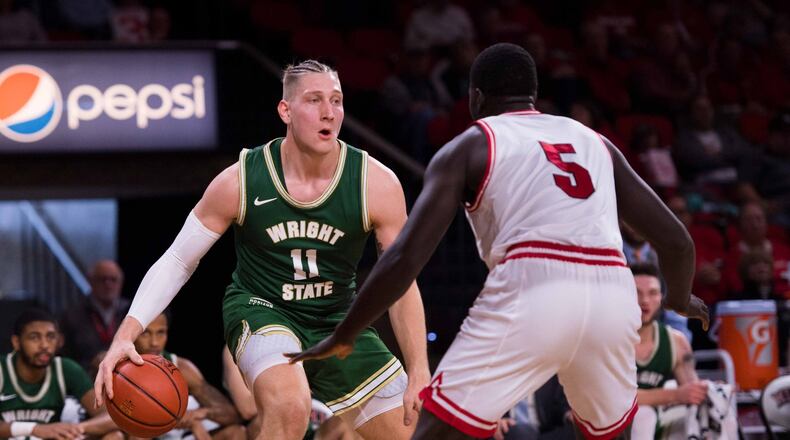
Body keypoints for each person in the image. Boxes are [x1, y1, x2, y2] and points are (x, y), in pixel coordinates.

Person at [289, 43, 709, 440]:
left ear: (475, 97)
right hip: (614, 293)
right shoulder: (595, 142)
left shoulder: (473, 143)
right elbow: (677, 243)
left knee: (438, 427)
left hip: (535, 282)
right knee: (609, 433)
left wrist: (346, 332)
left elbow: (405, 257)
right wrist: (678, 300)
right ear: (533, 95)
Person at [94, 60, 430, 440]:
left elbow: (400, 282)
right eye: (314, 100)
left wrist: (419, 369)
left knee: (410, 430)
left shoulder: (377, 183)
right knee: (290, 407)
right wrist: (124, 335)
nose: (329, 112)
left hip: (336, 318)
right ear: (285, 110)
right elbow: (177, 260)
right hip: (262, 310)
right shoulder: (241, 178)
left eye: (336, 101)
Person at [629, 263, 736, 440]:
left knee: (720, 410)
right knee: (643, 416)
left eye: (652, 293)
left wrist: (710, 391)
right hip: (611, 420)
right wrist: (675, 395)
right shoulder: (609, 339)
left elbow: (691, 389)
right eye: (637, 293)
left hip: (660, 418)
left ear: (662, 298)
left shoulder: (676, 341)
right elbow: (613, 397)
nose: (645, 301)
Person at [0, 308, 118, 439]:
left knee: (115, 436)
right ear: (16, 342)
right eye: (34, 337)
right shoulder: (2, 368)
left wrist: (75, 429)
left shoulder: (66, 368)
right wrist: (34, 429)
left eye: (50, 337)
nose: (44, 345)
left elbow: (111, 417)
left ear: (59, 341)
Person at [130, 312, 243, 440]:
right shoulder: (117, 367)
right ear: (131, 333)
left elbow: (230, 414)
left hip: (186, 433)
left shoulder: (181, 367)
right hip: (145, 432)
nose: (154, 342)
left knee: (237, 432)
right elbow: (104, 422)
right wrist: (164, 418)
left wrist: (200, 413)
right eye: (145, 333)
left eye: (161, 332)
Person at [221, 345, 360, 440]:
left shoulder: (311, 332)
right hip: (273, 422)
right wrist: (289, 387)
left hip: (320, 423)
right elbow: (248, 409)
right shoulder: (238, 346)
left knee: (353, 420)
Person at [60, 260, 130, 372]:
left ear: (121, 283)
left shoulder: (131, 312)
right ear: (91, 281)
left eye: (113, 279)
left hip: (126, 376)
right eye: (103, 279)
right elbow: (64, 358)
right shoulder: (71, 316)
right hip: (85, 381)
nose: (108, 284)